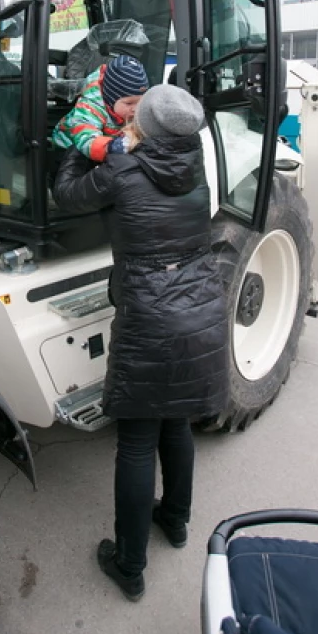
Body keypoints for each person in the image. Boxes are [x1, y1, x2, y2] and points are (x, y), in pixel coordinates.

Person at [53, 83, 229, 602]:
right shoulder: (195, 164)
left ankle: (128, 565)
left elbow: (66, 194)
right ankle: (174, 521)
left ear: (145, 123)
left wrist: (77, 140)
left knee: (135, 441)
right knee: (175, 422)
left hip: (149, 315)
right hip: (198, 310)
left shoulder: (125, 168)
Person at [51, 54, 149, 162]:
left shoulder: (128, 110)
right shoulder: (90, 107)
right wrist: (111, 147)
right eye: (129, 103)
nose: (135, 109)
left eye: (139, 102)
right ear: (110, 99)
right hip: (67, 148)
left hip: (104, 142)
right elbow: (87, 140)